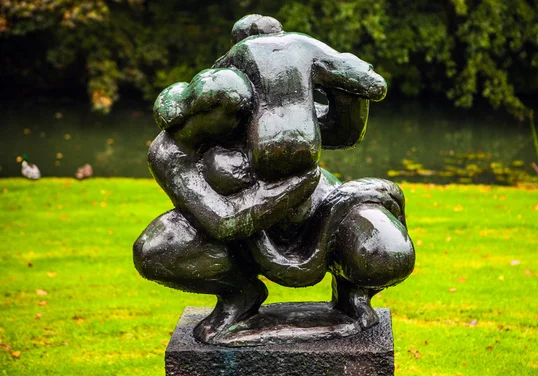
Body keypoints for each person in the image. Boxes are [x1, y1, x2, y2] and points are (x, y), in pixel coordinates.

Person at [133, 15, 415, 345]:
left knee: (385, 251)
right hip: (241, 234)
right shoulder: (170, 152)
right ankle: (240, 296)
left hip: (315, 214)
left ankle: (353, 299)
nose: (243, 115)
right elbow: (223, 221)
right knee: (155, 249)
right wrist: (291, 188)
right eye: (230, 111)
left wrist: (348, 91)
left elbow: (344, 129)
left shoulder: (264, 111)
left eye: (245, 107)